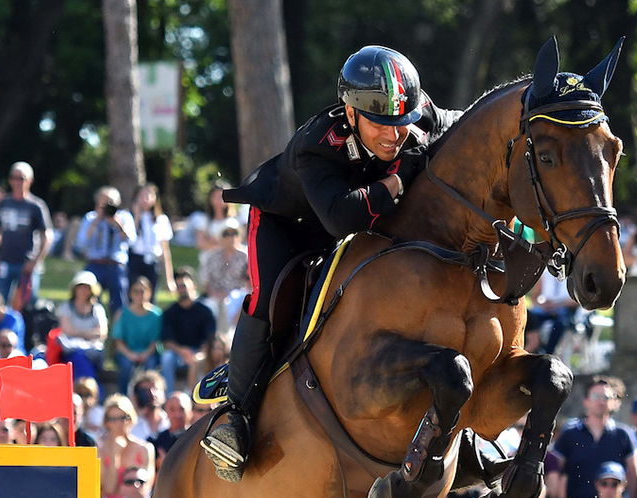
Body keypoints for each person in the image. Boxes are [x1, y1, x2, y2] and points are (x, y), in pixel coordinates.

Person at [202, 45, 463, 482]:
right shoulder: (316, 144)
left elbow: (465, 124)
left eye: (402, 122)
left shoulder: (412, 113)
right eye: (380, 122)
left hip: (351, 225)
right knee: (270, 297)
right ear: (351, 111)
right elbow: (342, 218)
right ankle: (236, 417)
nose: (393, 135)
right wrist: (399, 178)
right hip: (287, 224)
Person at [552, 376, 637, 498]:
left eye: (605, 397)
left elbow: (636, 474)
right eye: (595, 397)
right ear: (586, 401)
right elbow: (555, 471)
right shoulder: (570, 434)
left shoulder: (623, 434)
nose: (600, 401)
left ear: (614, 401)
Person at [0, 161, 53, 307]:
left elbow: (46, 235)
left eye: (21, 178)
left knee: (27, 303)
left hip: (26, 263)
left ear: (30, 181)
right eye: (14, 177)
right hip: (4, 260)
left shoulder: (36, 206)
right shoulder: (3, 203)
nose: (17, 182)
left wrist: (35, 261)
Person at [75, 186, 137, 315]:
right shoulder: (90, 218)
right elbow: (81, 243)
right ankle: (93, 327)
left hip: (116, 265)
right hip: (95, 263)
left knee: (119, 301)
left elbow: (132, 241)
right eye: (104, 202)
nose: (107, 206)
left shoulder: (124, 217)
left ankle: (118, 332)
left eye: (111, 202)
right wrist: (97, 221)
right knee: (91, 299)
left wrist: (118, 224)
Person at [160, 267, 215, 390]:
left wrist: (197, 353)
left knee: (198, 359)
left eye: (184, 286)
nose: (181, 289)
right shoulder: (170, 312)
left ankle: (195, 397)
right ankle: (168, 396)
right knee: (167, 357)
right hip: (177, 353)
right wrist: (182, 351)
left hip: (199, 352)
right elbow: (167, 341)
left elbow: (210, 339)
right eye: (178, 286)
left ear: (194, 286)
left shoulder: (205, 311)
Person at [198, 218, 248, 338]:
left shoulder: (246, 256)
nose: (231, 237)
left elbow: (249, 281)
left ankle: (227, 342)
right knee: (209, 308)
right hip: (214, 294)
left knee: (228, 305)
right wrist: (214, 293)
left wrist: (231, 294)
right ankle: (210, 341)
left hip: (238, 295)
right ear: (221, 237)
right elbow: (205, 282)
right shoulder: (212, 256)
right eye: (227, 234)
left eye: (234, 233)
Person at [113, 277, 163, 394]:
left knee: (150, 365)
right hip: (127, 352)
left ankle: (150, 396)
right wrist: (130, 355)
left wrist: (145, 354)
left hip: (148, 353)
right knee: (125, 366)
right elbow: (118, 341)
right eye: (136, 291)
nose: (140, 295)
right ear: (131, 293)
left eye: (144, 291)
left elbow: (155, 341)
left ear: (150, 293)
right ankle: (123, 395)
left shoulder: (156, 315)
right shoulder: (122, 314)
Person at [99, 394, 155, 498]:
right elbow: (109, 489)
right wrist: (114, 456)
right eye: (113, 419)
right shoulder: (100, 451)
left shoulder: (144, 449)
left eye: (123, 418)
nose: (119, 423)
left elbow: (145, 488)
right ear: (107, 423)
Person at [56, 270, 108, 381]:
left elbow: (102, 333)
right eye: (81, 287)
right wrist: (88, 334)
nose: (83, 291)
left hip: (93, 352)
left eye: (87, 287)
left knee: (81, 357)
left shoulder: (98, 309)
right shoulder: (66, 306)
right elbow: (66, 329)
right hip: (70, 350)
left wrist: (78, 333)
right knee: (78, 357)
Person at [128, 183, 175, 299]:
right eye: (142, 196)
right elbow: (130, 239)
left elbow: (165, 249)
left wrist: (169, 278)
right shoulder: (128, 217)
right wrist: (137, 217)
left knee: (151, 296)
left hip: (152, 261)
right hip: (135, 259)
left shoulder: (161, 220)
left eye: (149, 195)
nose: (145, 199)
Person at [525, 269, 580, 355]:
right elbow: (534, 296)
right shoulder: (545, 274)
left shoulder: (573, 275)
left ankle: (549, 352)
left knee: (560, 323)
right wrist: (542, 305)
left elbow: (577, 301)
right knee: (531, 317)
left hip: (565, 308)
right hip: (546, 308)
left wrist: (558, 305)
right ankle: (532, 347)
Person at [148, 391, 193, 471]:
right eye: (172, 409)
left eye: (182, 409)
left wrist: (166, 465)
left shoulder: (198, 438)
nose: (177, 414)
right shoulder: (156, 442)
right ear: (165, 411)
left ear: (190, 410)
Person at [195, 181, 237, 256]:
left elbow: (235, 243)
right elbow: (200, 243)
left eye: (222, 197)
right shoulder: (204, 220)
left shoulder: (232, 222)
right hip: (209, 260)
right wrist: (222, 244)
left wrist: (212, 241)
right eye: (217, 197)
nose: (219, 201)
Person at [128, 370, 170, 441]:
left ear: (164, 394)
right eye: (146, 390)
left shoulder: (171, 422)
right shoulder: (130, 427)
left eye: (156, 389)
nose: (152, 393)